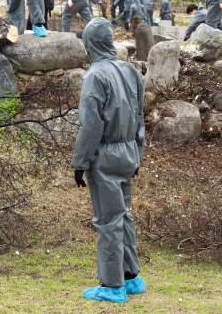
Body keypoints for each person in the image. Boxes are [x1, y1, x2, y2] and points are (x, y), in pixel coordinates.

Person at [73, 17, 146, 303]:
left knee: (108, 220)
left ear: (90, 43)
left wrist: (80, 162)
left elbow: (91, 126)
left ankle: (112, 285)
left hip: (104, 156)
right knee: (122, 215)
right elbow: (140, 119)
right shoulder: (131, 72)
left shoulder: (95, 76)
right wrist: (137, 154)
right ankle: (131, 278)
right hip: (128, 153)